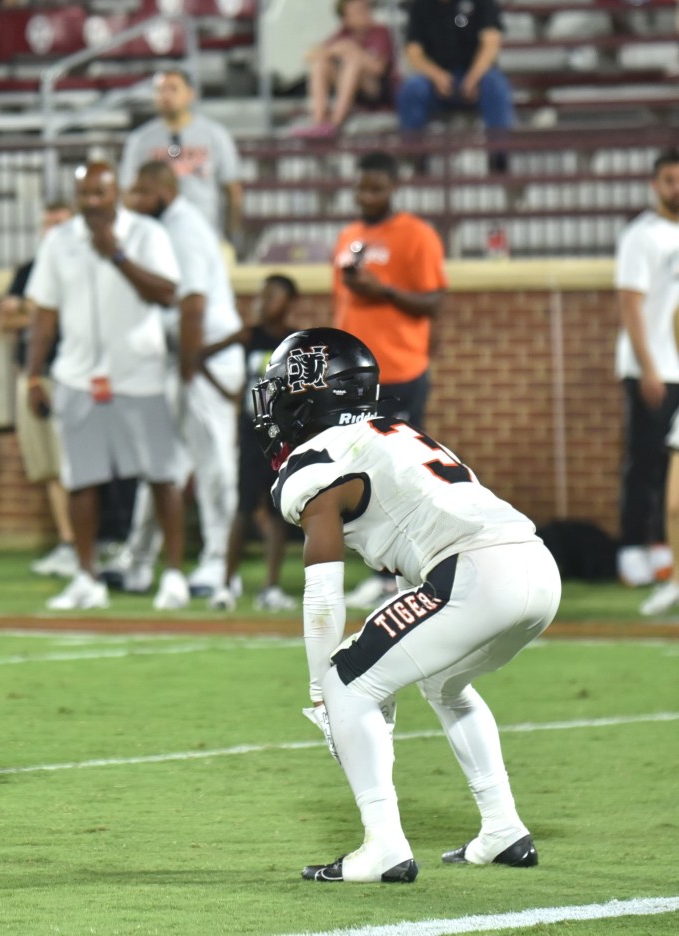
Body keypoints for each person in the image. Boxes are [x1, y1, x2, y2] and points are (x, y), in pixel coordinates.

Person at [254, 327, 558, 883]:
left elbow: (323, 590)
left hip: (476, 573)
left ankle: (384, 848)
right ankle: (503, 830)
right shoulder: (394, 433)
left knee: (347, 682)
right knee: (444, 683)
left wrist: (324, 693)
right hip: (536, 567)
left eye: (280, 389)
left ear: (309, 391)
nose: (273, 403)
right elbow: (405, 571)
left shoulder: (319, 460)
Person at [25, 160, 188, 611]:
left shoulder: (148, 234)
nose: (93, 203)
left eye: (101, 193)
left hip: (140, 374)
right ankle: (86, 578)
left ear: (116, 194)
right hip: (77, 375)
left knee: (162, 475)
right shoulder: (60, 241)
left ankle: (173, 576)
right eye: (85, 195)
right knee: (81, 480)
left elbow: (167, 293)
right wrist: (33, 372)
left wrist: (116, 253)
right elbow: (45, 313)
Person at [123, 161, 245, 598]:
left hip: (205, 361)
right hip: (183, 360)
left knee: (214, 468)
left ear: (162, 191)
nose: (132, 201)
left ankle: (218, 564)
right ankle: (137, 561)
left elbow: (193, 303)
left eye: (140, 192)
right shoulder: (160, 228)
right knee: (160, 466)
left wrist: (191, 373)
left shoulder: (185, 227)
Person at [331, 150, 446, 609]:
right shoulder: (348, 236)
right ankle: (383, 573)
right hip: (352, 378)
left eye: (376, 188)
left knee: (398, 475)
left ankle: (402, 577)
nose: (366, 196)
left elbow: (435, 302)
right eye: (361, 187)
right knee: (360, 476)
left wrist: (386, 291)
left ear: (393, 188)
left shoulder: (416, 235)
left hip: (398, 369)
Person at [201, 274, 300, 612]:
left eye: (273, 296)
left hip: (281, 436)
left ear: (289, 302)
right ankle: (225, 585)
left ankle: (270, 588)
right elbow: (202, 355)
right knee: (244, 508)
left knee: (276, 511)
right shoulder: (250, 336)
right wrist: (230, 393)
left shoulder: (294, 343)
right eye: (263, 296)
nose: (264, 302)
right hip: (250, 431)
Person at [0, 200, 79, 579]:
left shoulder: (82, 266)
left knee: (74, 465)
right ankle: (68, 541)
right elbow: (6, 319)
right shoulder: (28, 270)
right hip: (33, 376)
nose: (51, 230)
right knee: (47, 466)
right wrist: (43, 311)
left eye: (59, 223)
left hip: (71, 375)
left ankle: (87, 542)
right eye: (47, 223)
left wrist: (38, 310)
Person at [614, 149, 679, 593]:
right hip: (652, 368)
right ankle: (632, 546)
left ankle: (661, 543)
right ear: (655, 184)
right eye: (669, 179)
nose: (676, 188)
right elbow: (630, 306)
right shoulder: (642, 235)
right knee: (645, 460)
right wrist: (648, 367)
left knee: (670, 467)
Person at [118, 68, 243, 248]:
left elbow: (232, 189)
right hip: (156, 236)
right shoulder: (140, 140)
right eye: (161, 90)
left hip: (204, 234)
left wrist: (232, 234)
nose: (166, 96)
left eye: (173, 89)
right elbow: (128, 192)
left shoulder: (214, 135)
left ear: (190, 94)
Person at [397, 0, 514, 171]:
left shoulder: (482, 3)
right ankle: (416, 158)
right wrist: (437, 76)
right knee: (412, 89)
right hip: (435, 80)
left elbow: (491, 43)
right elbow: (414, 53)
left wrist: (473, 78)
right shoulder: (420, 6)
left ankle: (499, 157)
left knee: (496, 85)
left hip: (477, 76)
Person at [291, 0, 395, 139]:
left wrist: (353, 51)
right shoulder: (342, 35)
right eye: (358, 11)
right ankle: (319, 121)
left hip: (378, 92)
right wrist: (336, 50)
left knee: (353, 63)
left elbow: (379, 69)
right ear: (345, 19)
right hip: (352, 91)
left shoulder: (380, 32)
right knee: (320, 64)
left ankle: (335, 124)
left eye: (365, 8)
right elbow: (311, 56)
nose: (365, 13)